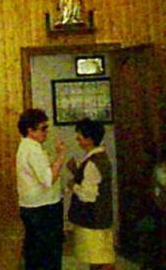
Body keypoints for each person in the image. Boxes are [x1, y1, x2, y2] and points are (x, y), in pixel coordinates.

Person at [16, 108, 66, 270]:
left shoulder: (28, 146)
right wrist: (61, 156)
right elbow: (48, 179)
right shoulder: (33, 150)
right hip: (43, 208)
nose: (46, 132)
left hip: (34, 207)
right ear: (30, 130)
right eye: (43, 128)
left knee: (35, 251)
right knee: (48, 254)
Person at [67, 119, 114, 270]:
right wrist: (76, 172)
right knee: (101, 257)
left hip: (93, 219)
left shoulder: (93, 163)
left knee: (98, 259)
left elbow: (88, 195)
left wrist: (73, 185)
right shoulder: (100, 157)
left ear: (89, 139)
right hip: (101, 216)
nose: (77, 139)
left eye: (80, 136)